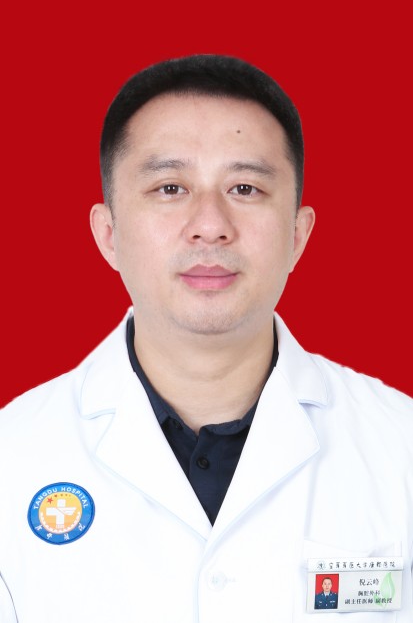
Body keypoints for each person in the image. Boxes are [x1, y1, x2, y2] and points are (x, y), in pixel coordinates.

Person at [0, 54, 412, 623]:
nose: (211, 225)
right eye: (170, 187)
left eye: (245, 187)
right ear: (109, 233)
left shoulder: (400, 447)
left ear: (298, 235)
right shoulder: (12, 457)